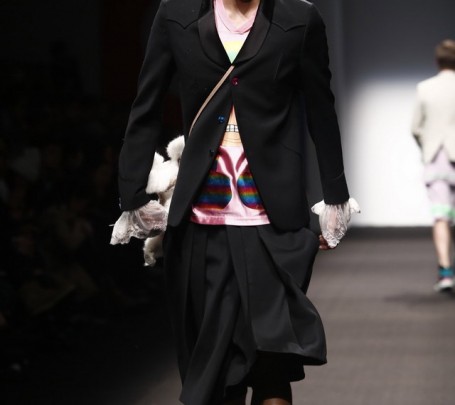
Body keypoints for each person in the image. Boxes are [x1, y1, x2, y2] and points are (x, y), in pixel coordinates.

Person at [112, 0, 358, 404]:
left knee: (273, 366)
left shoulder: (298, 19)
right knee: (215, 377)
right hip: (201, 226)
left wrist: (336, 197)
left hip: (274, 225)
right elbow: (146, 105)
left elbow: (320, 108)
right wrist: (132, 193)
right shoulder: (176, 15)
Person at [412, 39, 455, 293]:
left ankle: (446, 272)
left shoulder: (425, 88)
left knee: (441, 216)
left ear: (437, 61)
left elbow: (415, 127)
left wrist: (428, 146)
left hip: (437, 158)